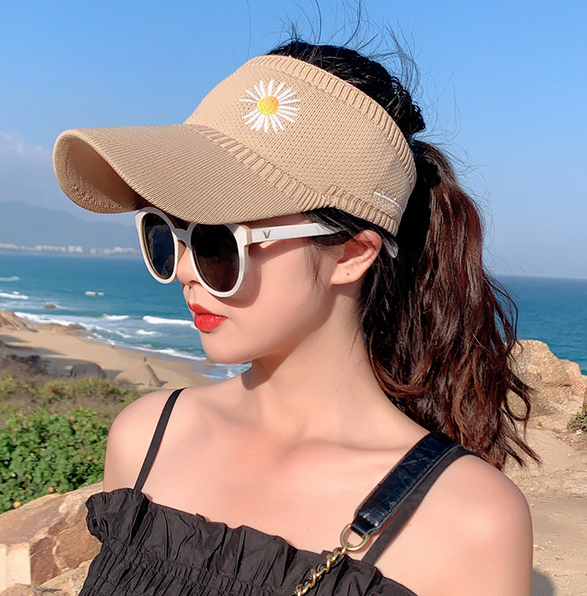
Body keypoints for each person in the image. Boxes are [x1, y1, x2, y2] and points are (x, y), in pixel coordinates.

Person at [53, 38, 538, 596]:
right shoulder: (144, 438)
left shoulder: (469, 520)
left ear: (352, 253)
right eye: (167, 232)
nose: (183, 268)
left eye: (218, 240)